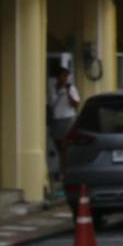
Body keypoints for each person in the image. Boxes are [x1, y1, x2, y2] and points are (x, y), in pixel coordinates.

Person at [46, 64, 80, 200]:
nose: (64, 78)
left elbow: (76, 103)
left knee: (66, 147)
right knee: (59, 147)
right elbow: (50, 104)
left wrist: (67, 93)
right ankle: (62, 170)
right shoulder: (52, 88)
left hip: (68, 119)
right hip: (56, 120)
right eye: (63, 76)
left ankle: (65, 173)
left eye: (66, 76)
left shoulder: (71, 88)